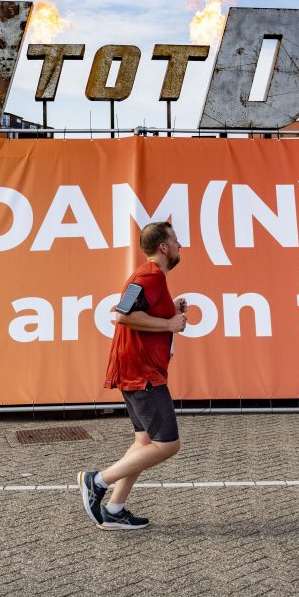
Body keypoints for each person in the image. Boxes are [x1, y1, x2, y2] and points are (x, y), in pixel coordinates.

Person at [77, 221, 188, 531]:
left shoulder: (154, 280)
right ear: (164, 248)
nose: (181, 246)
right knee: (168, 445)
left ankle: (115, 509)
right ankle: (96, 481)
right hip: (142, 374)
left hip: (138, 371)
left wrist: (170, 311)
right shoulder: (149, 276)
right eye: (176, 242)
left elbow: (137, 310)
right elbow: (124, 315)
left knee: (144, 442)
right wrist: (169, 325)